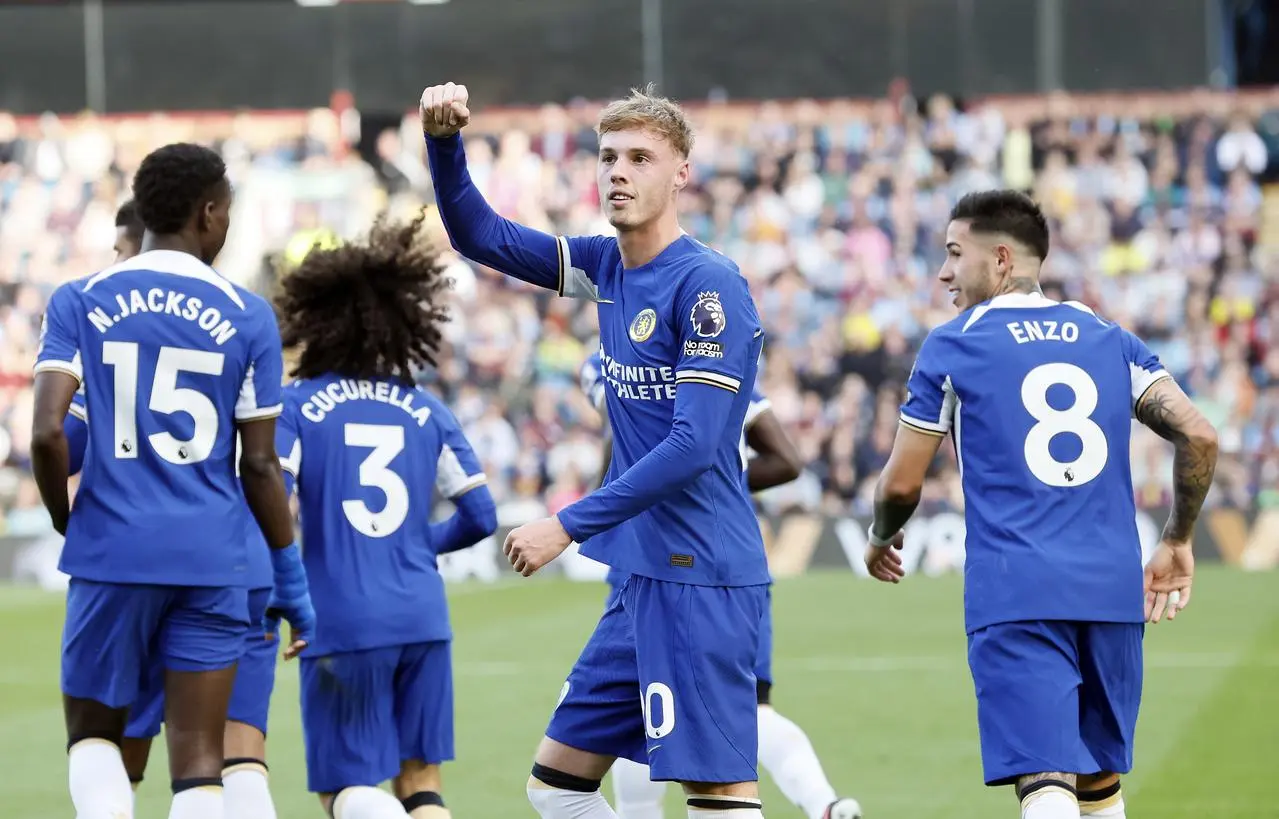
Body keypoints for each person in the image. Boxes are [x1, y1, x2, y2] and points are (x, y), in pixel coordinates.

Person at [423, 80, 771, 819]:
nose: (617, 170)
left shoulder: (707, 286)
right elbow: (478, 235)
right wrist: (444, 143)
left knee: (716, 793)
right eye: (608, 155)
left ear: (682, 172)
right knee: (555, 785)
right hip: (639, 578)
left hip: (699, 573)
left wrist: (566, 522)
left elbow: (694, 446)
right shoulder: (604, 267)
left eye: (640, 157)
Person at [865, 190, 1219, 819]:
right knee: (1099, 784)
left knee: (1046, 781)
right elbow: (1199, 433)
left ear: (1000, 260)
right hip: (1112, 591)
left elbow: (899, 484)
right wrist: (1178, 538)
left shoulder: (954, 345)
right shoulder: (1110, 337)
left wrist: (880, 534)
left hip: (1017, 586)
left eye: (953, 254)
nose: (943, 272)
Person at [31, 142, 315, 819]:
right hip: (212, 560)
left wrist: (62, 518)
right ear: (209, 212)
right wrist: (290, 576)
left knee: (97, 741)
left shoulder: (82, 297)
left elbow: (46, 434)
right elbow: (260, 464)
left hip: (113, 552)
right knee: (197, 766)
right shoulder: (248, 314)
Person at [273, 212, 498, 819]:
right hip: (422, 614)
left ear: (314, 322)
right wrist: (417, 543)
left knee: (345, 790)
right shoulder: (427, 410)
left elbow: (274, 497)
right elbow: (481, 515)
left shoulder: (298, 406)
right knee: (422, 784)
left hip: (340, 619)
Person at [579, 352, 863, 819]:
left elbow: (621, 435)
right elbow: (787, 460)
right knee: (753, 708)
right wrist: (718, 481)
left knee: (638, 712)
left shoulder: (616, 364)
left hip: (658, 560)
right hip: (738, 558)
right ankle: (825, 804)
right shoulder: (719, 362)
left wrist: (612, 506)